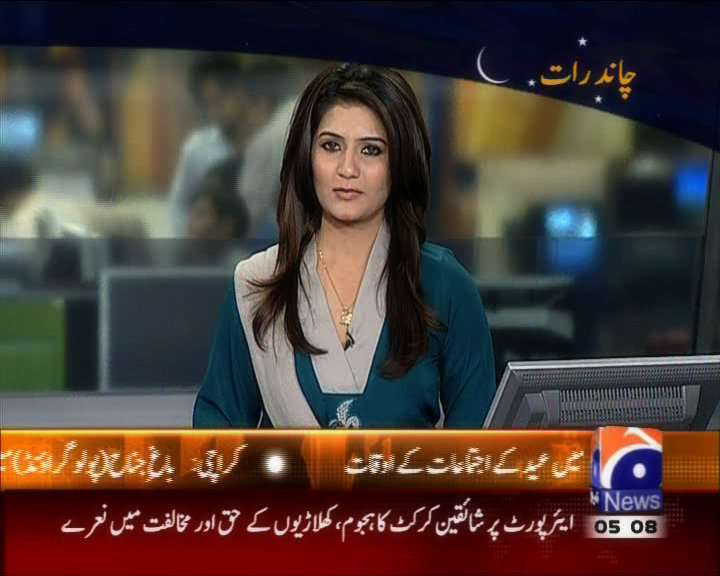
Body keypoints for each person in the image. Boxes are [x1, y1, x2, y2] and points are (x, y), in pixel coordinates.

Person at [193, 63, 495, 429]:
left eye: (371, 150)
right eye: (331, 146)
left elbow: (481, 450)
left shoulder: (445, 284)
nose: (347, 168)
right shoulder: (256, 285)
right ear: (308, 157)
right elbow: (215, 443)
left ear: (399, 163)